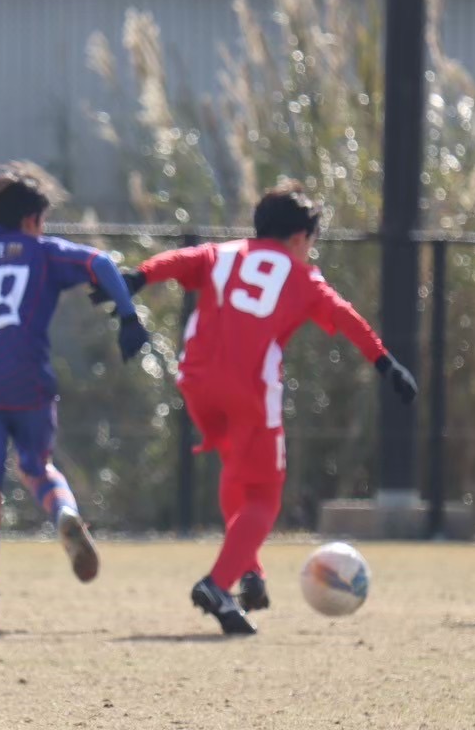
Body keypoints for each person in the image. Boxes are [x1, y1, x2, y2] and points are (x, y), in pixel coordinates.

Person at [115, 182, 418, 635]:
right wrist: (385, 363)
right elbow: (345, 317)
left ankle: (250, 572)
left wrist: (138, 278)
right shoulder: (301, 276)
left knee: (236, 471)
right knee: (263, 495)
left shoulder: (222, 254)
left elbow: (179, 261)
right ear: (300, 238)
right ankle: (218, 584)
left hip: (196, 381)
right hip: (249, 389)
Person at [0, 164, 149, 633]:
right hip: (25, 376)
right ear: (31, 220)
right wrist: (128, 316)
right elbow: (100, 264)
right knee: (36, 466)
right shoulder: (39, 251)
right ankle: (64, 514)